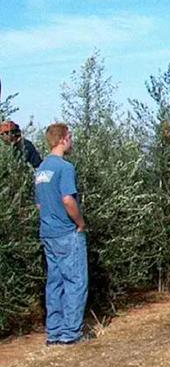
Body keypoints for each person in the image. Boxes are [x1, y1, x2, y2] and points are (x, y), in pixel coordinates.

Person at [34, 123, 90, 345]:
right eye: (70, 137)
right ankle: (71, 334)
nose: (72, 141)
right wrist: (80, 222)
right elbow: (68, 199)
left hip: (47, 233)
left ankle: (54, 332)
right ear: (63, 139)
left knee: (54, 282)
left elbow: (39, 205)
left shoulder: (41, 170)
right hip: (67, 232)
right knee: (75, 281)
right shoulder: (64, 168)